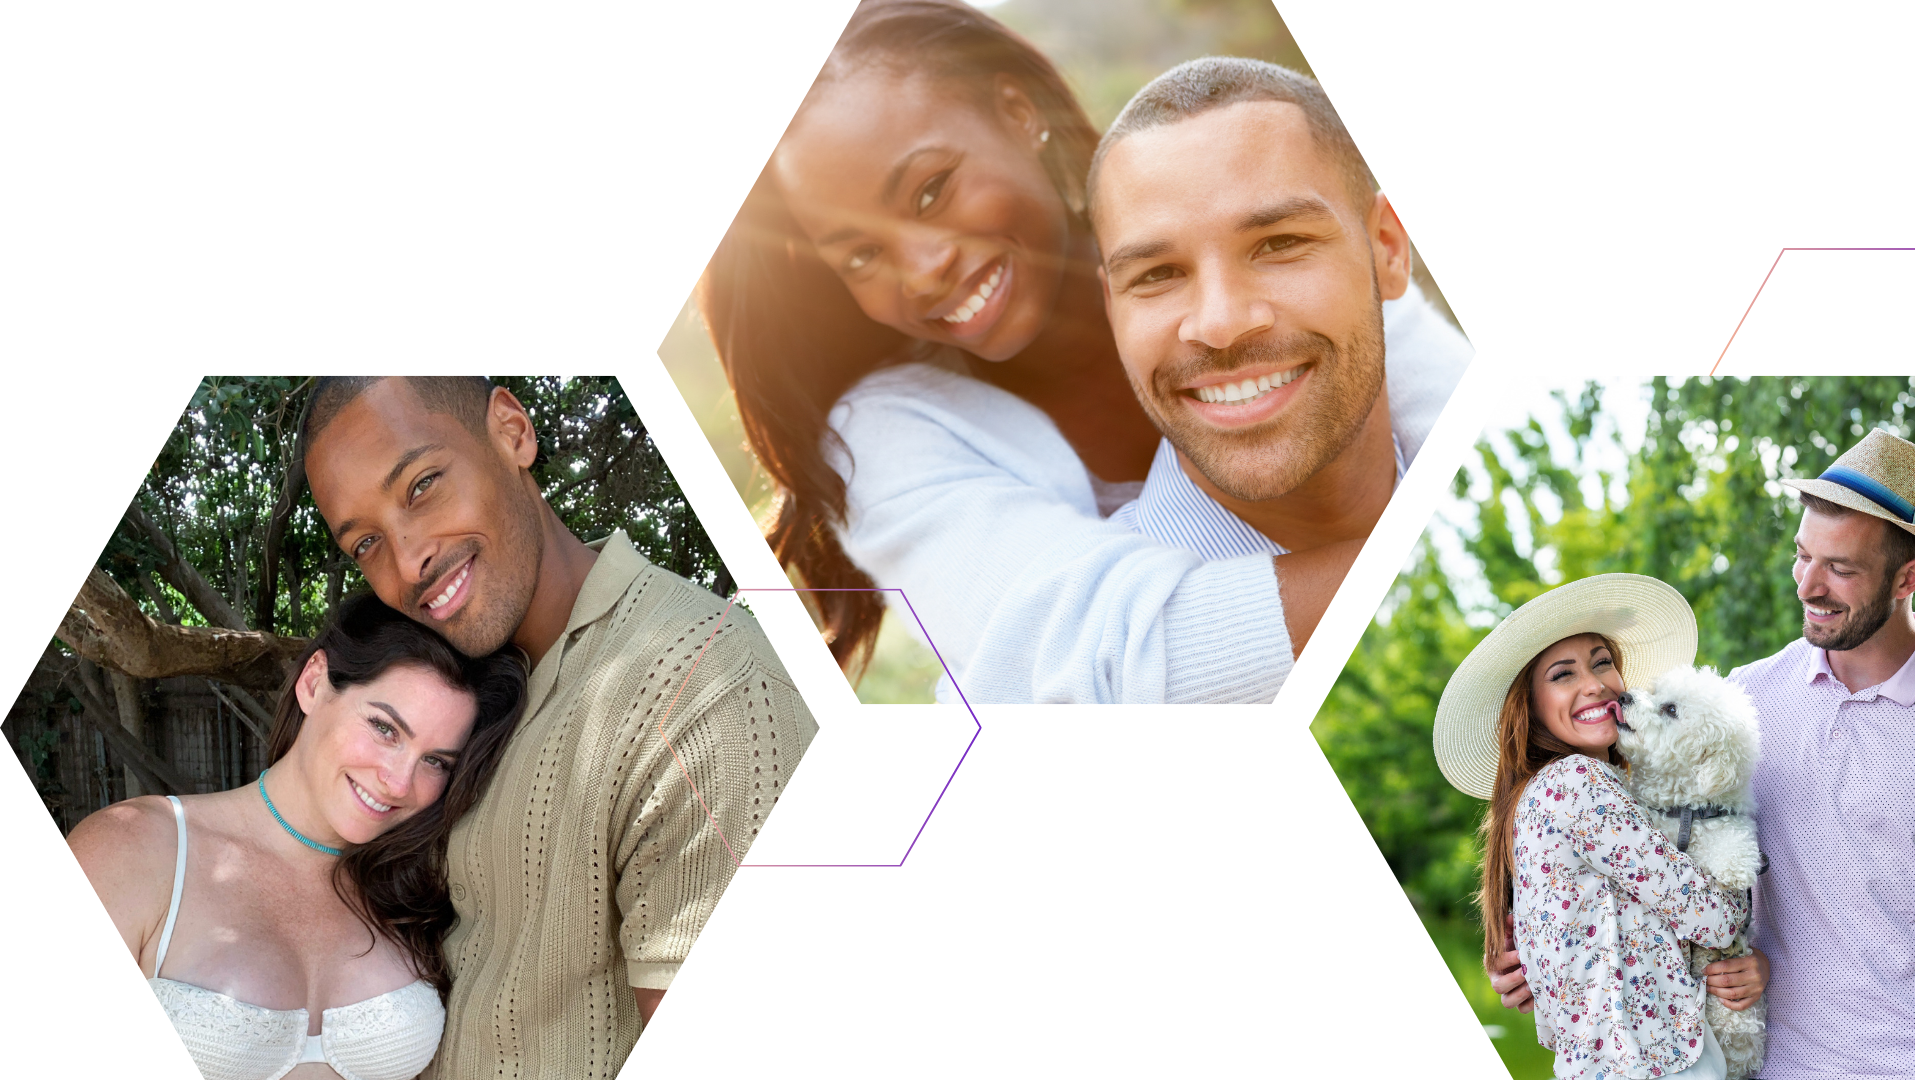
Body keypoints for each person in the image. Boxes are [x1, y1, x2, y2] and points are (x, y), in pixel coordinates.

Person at [700, 0, 1472, 704]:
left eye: (932, 191)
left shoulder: (1231, 222)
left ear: (1015, 110)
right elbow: (1105, 659)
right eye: (862, 255)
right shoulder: (886, 435)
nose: (924, 265)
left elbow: (1470, 439)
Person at [1484, 429, 1915, 1078]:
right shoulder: (1742, 704)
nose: (1807, 585)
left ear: (1909, 577)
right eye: (1801, 556)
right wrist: (1547, 950)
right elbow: (1662, 867)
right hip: (1768, 1064)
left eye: (1840, 569)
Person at [296, 375, 818, 1079]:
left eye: (422, 485)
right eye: (365, 544)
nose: (407, 560)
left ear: (512, 431)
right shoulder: (460, 697)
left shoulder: (706, 691)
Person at [68, 593, 527, 1080]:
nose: (399, 782)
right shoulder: (135, 849)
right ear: (313, 683)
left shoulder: (421, 885)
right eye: (384, 728)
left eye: (435, 761)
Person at [1090, 58, 1464, 565]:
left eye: (1279, 243)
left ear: (1388, 249)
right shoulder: (1108, 634)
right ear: (1112, 310)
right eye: (1156, 275)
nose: (1221, 324)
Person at [1434, 574, 1756, 1080]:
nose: (1595, 683)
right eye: (1563, 674)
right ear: (1531, 706)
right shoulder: (1578, 783)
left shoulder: (1547, 793)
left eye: (1603, 661)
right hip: (1653, 1061)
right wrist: (1738, 923)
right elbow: (1713, 918)